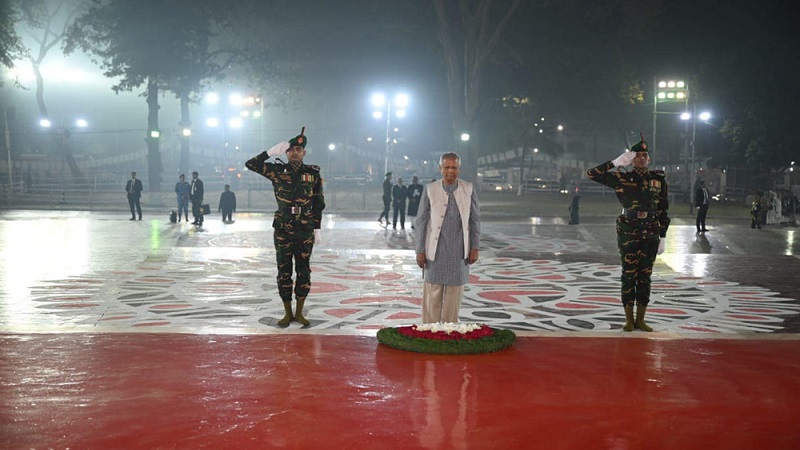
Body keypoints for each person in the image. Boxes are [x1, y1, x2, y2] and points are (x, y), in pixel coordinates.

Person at [586, 135, 670, 332]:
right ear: (631, 159)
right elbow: (591, 173)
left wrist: (663, 236)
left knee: (645, 276)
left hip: (650, 230)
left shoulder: (657, 180)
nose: (642, 158)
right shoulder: (622, 177)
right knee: (628, 274)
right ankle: (629, 320)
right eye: (638, 155)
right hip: (628, 230)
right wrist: (615, 162)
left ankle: (641, 319)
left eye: (645, 155)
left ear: (649, 159)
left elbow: (663, 209)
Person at [245, 127, 325, 327]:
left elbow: (318, 202)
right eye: (291, 149)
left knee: (304, 270)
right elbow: (251, 164)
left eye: (299, 149)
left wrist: (317, 227)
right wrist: (270, 153)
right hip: (283, 227)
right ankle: (287, 312)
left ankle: (300, 312)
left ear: (304, 153)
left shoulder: (312, 174)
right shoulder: (277, 171)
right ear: (286, 152)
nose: (295, 152)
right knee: (284, 269)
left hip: (305, 228)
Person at [415, 152, 480, 323]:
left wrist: (474, 247)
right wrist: (419, 250)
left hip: (459, 250)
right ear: (440, 168)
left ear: (459, 169)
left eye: (454, 167)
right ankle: (429, 330)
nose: (450, 171)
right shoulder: (430, 189)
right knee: (432, 292)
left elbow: (475, 221)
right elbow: (421, 221)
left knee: (453, 295)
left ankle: (450, 330)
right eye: (447, 167)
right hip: (434, 250)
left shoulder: (469, 189)